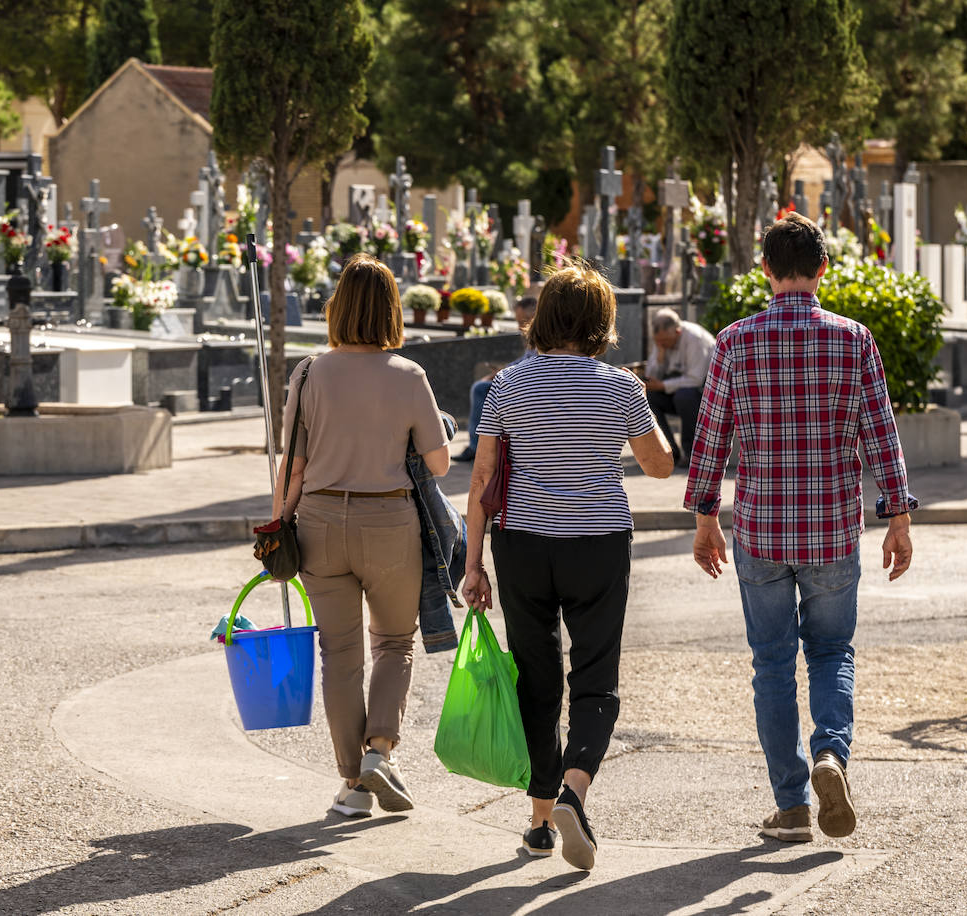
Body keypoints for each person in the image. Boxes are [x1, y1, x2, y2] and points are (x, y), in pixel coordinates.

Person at [684, 213, 916, 844]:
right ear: (822, 270)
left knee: (772, 663)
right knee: (833, 651)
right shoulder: (854, 340)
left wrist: (706, 518)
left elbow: (710, 441)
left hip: (760, 530)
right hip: (834, 531)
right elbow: (880, 434)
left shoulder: (733, 342)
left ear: (765, 270)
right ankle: (831, 757)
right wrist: (898, 516)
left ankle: (790, 805)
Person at [461, 263, 673, 870]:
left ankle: (538, 822)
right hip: (599, 541)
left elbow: (481, 479)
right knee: (596, 675)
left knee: (536, 678)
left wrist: (473, 564)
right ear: (601, 324)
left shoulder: (505, 387)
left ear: (543, 318)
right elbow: (660, 466)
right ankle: (574, 794)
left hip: (522, 541)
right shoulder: (620, 387)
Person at [274, 254, 451, 819]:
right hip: (389, 521)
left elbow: (293, 467)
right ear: (394, 310)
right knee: (395, 643)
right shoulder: (408, 376)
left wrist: (277, 525)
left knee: (340, 655)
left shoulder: (307, 374)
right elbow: (441, 463)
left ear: (336, 308)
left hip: (320, 521)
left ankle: (351, 785)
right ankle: (380, 750)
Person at [452, 296, 537, 462]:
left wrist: (504, 372)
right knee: (482, 386)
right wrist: (502, 371)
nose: (520, 326)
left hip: (528, 382)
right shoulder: (534, 333)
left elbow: (532, 361)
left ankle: (476, 447)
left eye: (523, 321)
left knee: (480, 389)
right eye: (518, 321)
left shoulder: (540, 332)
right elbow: (526, 359)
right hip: (523, 378)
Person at [642, 307, 715, 469]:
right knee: (648, 397)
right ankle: (669, 451)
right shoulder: (662, 341)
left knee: (684, 396)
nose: (663, 345)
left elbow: (695, 380)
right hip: (676, 391)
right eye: (659, 342)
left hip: (702, 394)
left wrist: (663, 385)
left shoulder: (695, 339)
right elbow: (652, 375)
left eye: (666, 342)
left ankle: (691, 453)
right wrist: (660, 355)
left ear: (678, 332)